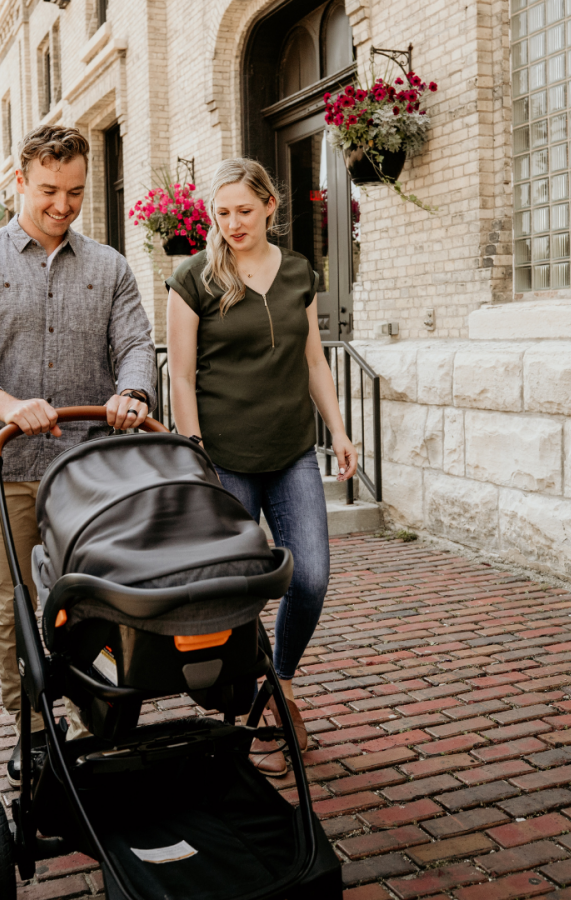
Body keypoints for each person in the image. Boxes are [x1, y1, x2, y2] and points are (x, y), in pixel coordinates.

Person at [0, 125, 156, 786]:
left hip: (92, 471)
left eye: (77, 192)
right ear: (20, 183)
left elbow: (135, 347)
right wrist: (7, 405)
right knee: (17, 603)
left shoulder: (110, 268)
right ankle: (32, 723)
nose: (64, 204)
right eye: (50, 191)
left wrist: (133, 391)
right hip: (9, 471)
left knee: (97, 598)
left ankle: (98, 709)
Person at [164, 157, 358, 776]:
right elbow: (182, 377)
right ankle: (251, 715)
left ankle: (282, 681)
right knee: (237, 594)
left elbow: (314, 364)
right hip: (225, 459)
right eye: (221, 213)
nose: (232, 224)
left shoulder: (299, 270)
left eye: (244, 211)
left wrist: (339, 430)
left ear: (271, 206)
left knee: (310, 578)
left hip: (292, 450)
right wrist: (193, 450)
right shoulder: (193, 277)